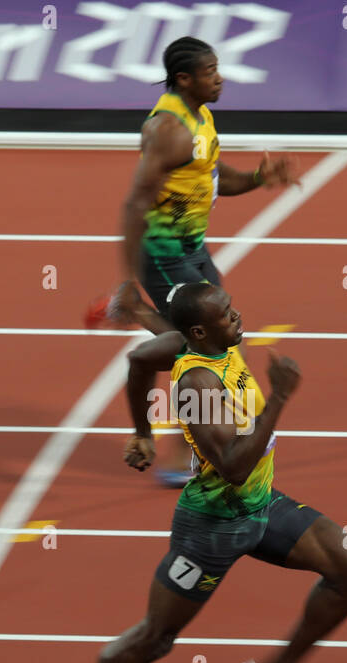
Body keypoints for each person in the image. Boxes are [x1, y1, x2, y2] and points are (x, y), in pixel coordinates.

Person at [29, 282, 347, 663]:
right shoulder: (196, 384)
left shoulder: (207, 341)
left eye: (233, 307)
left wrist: (142, 431)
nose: (237, 317)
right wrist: (279, 398)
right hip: (212, 527)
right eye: (226, 314)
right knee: (154, 640)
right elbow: (235, 467)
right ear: (200, 331)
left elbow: (141, 358)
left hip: (262, 508)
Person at [84, 35, 299, 484]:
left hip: (194, 248)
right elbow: (133, 206)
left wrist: (261, 177)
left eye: (218, 69)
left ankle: (190, 447)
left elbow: (218, 180)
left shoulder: (200, 116)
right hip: (162, 253)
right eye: (210, 72)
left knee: (220, 335)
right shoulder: (168, 131)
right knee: (199, 348)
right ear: (184, 79)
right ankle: (155, 440)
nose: (220, 78)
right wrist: (128, 279)